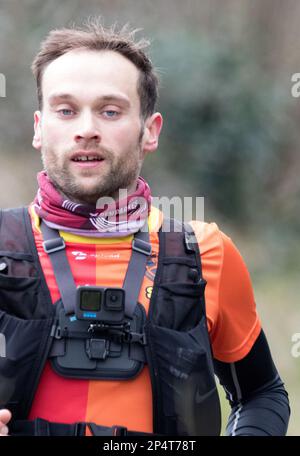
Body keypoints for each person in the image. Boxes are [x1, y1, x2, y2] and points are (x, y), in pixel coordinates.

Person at [0, 19, 290, 437]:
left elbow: (262, 393)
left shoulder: (204, 253)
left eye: (110, 111)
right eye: (65, 110)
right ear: (39, 128)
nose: (86, 129)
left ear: (149, 131)